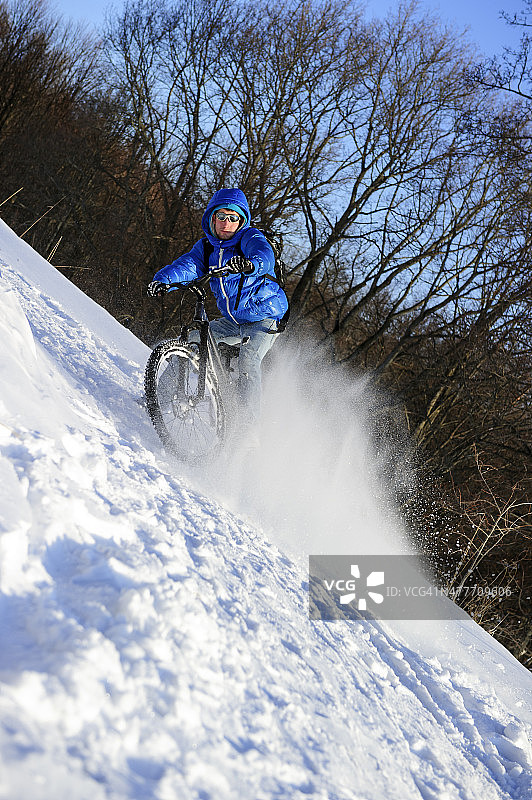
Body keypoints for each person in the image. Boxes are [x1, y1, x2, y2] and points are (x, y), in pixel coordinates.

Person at [148, 188, 288, 440]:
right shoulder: (206, 248)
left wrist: (250, 264)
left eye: (233, 218)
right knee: (192, 341)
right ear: (212, 218)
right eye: (221, 216)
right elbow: (188, 266)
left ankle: (248, 429)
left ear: (241, 221)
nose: (227, 223)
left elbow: (263, 255)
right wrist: (164, 281)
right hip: (234, 321)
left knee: (248, 358)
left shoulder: (249, 238)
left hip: (265, 318)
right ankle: (158, 400)